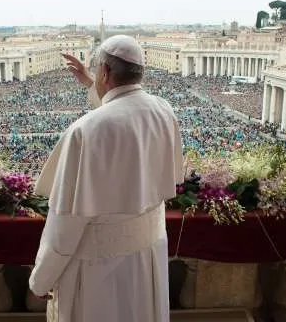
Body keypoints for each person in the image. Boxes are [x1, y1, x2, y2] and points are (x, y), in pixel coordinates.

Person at [29, 35, 184, 322]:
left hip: (100, 269)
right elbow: (124, 114)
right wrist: (92, 84)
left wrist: (40, 279)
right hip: (149, 255)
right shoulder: (164, 111)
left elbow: (64, 227)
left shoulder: (84, 131)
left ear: (105, 72)